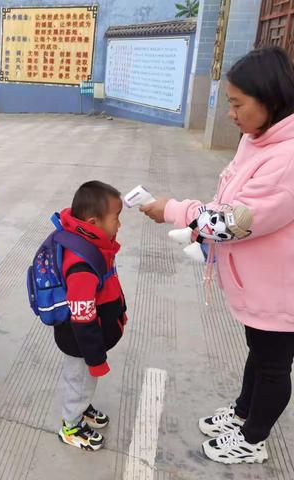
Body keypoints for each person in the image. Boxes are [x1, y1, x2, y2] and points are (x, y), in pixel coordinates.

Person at [140, 46, 294, 465]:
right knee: (260, 353)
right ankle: (245, 411)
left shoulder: (287, 157)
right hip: (262, 285)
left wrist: (174, 209)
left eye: (237, 104)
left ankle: (253, 438)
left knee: (274, 366)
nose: (231, 113)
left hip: (281, 289)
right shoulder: (260, 139)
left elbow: (233, 221)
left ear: (270, 99)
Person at [55, 181, 127, 451]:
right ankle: (71, 425)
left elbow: (110, 285)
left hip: (92, 338)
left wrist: (121, 313)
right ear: (94, 222)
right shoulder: (82, 264)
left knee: (85, 382)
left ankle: (83, 408)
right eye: (116, 218)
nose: (119, 225)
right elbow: (82, 318)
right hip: (81, 343)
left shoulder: (97, 245)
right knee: (80, 381)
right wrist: (95, 358)